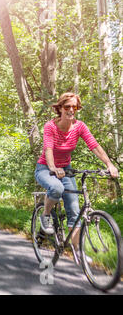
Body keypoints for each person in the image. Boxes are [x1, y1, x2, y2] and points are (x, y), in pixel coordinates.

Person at [34, 92, 119, 262]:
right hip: (45, 168)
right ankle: (46, 215)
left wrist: (109, 165)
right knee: (57, 188)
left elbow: (94, 146)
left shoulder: (79, 127)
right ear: (60, 108)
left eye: (75, 107)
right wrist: (53, 168)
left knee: (74, 210)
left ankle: (77, 251)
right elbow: (48, 149)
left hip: (66, 169)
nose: (71, 110)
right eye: (67, 106)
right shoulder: (50, 126)